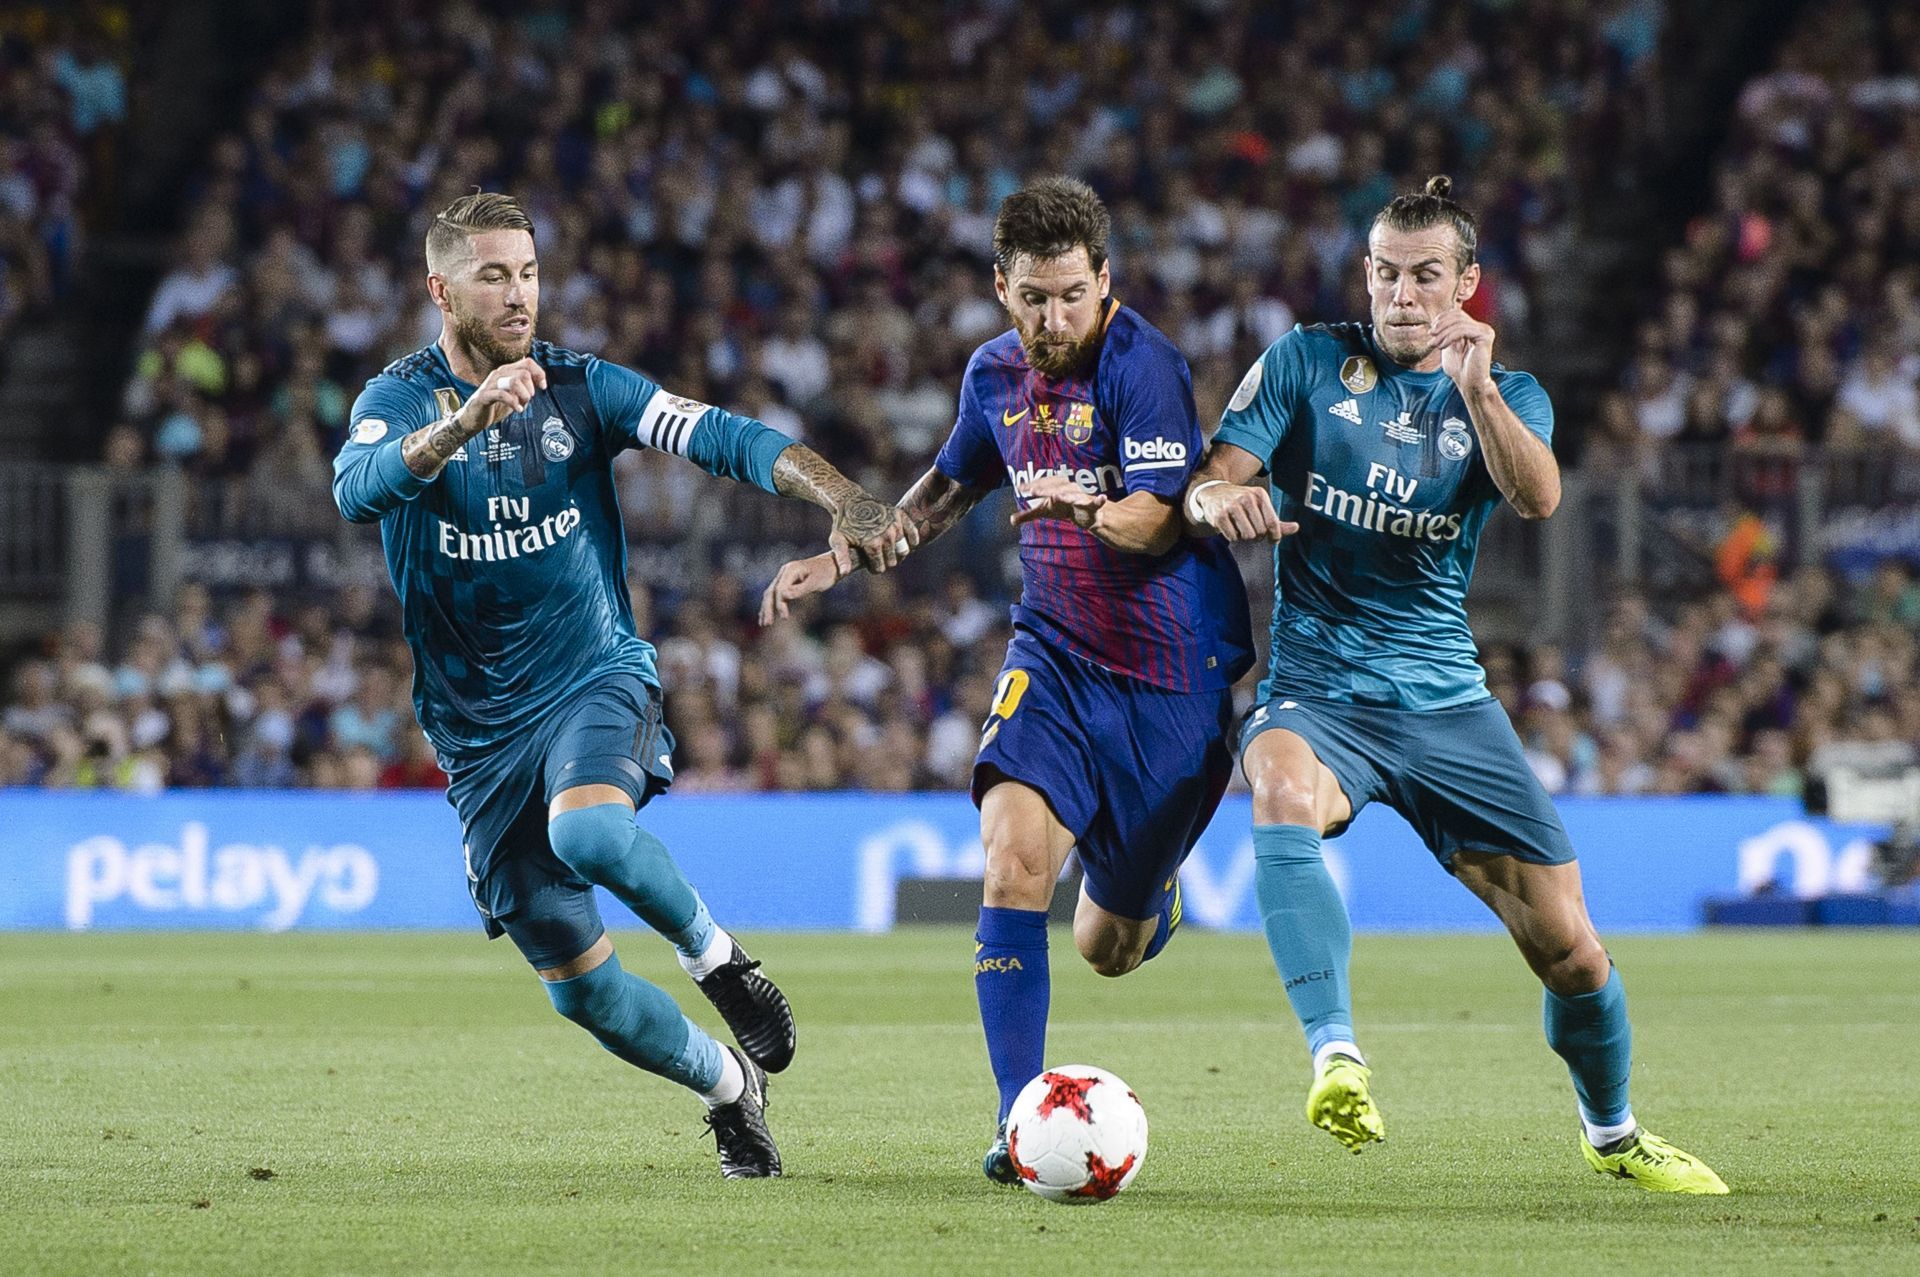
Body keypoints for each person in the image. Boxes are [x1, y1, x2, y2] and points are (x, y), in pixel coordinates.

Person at [332, 192, 912, 1179]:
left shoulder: (582, 388)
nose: (520, 294)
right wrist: (465, 423)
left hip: (593, 671)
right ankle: (731, 1087)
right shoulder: (397, 400)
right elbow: (358, 489)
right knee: (583, 993)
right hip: (478, 738)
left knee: (588, 829)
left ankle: (717, 957)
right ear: (441, 288)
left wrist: (846, 496)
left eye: (528, 272)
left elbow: (722, 434)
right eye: (494, 275)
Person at [1183, 176, 1728, 1193]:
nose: (1401, 294)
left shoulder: (1510, 394)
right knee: (1280, 786)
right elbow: (1213, 476)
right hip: (1319, 689)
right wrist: (1222, 501)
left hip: (1446, 705)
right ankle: (1335, 1054)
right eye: (1385, 272)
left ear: (1467, 284)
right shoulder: (1305, 360)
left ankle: (1613, 1135)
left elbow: (1539, 495)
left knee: (1569, 946)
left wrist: (1474, 389)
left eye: (1426, 275)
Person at [759, 177, 1257, 1184]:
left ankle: (1144, 895)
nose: (1053, 316)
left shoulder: (1143, 363)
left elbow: (1161, 515)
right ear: (1001, 286)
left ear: (1104, 281)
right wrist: (852, 551)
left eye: (1072, 294)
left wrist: (1086, 504)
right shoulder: (991, 376)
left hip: (1172, 679)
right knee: (1012, 864)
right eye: (1033, 296)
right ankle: (1018, 1122)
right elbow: (947, 485)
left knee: (1106, 945)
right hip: (1057, 653)